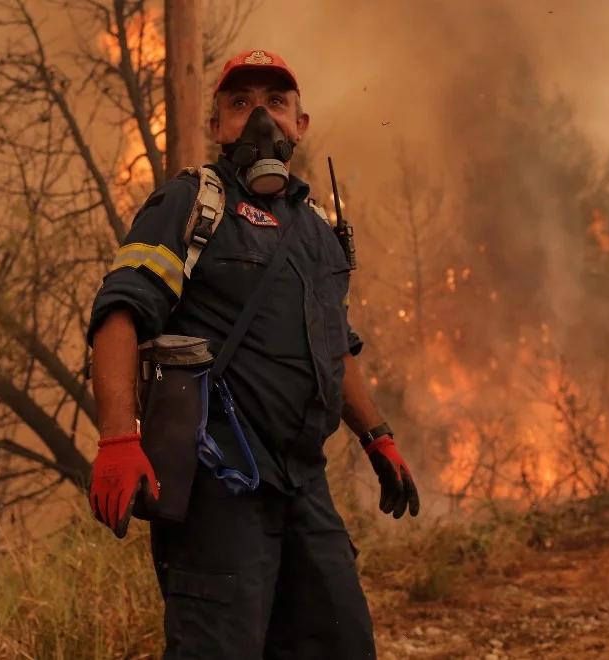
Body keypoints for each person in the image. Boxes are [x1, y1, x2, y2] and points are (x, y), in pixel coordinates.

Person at [85, 48, 420, 659]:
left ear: (300, 124)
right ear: (217, 127)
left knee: (343, 641)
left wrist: (378, 436)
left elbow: (335, 347)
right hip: (220, 488)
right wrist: (117, 439)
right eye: (240, 104)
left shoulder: (317, 229)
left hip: (303, 485)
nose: (260, 118)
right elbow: (119, 314)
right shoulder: (189, 206)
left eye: (275, 103)